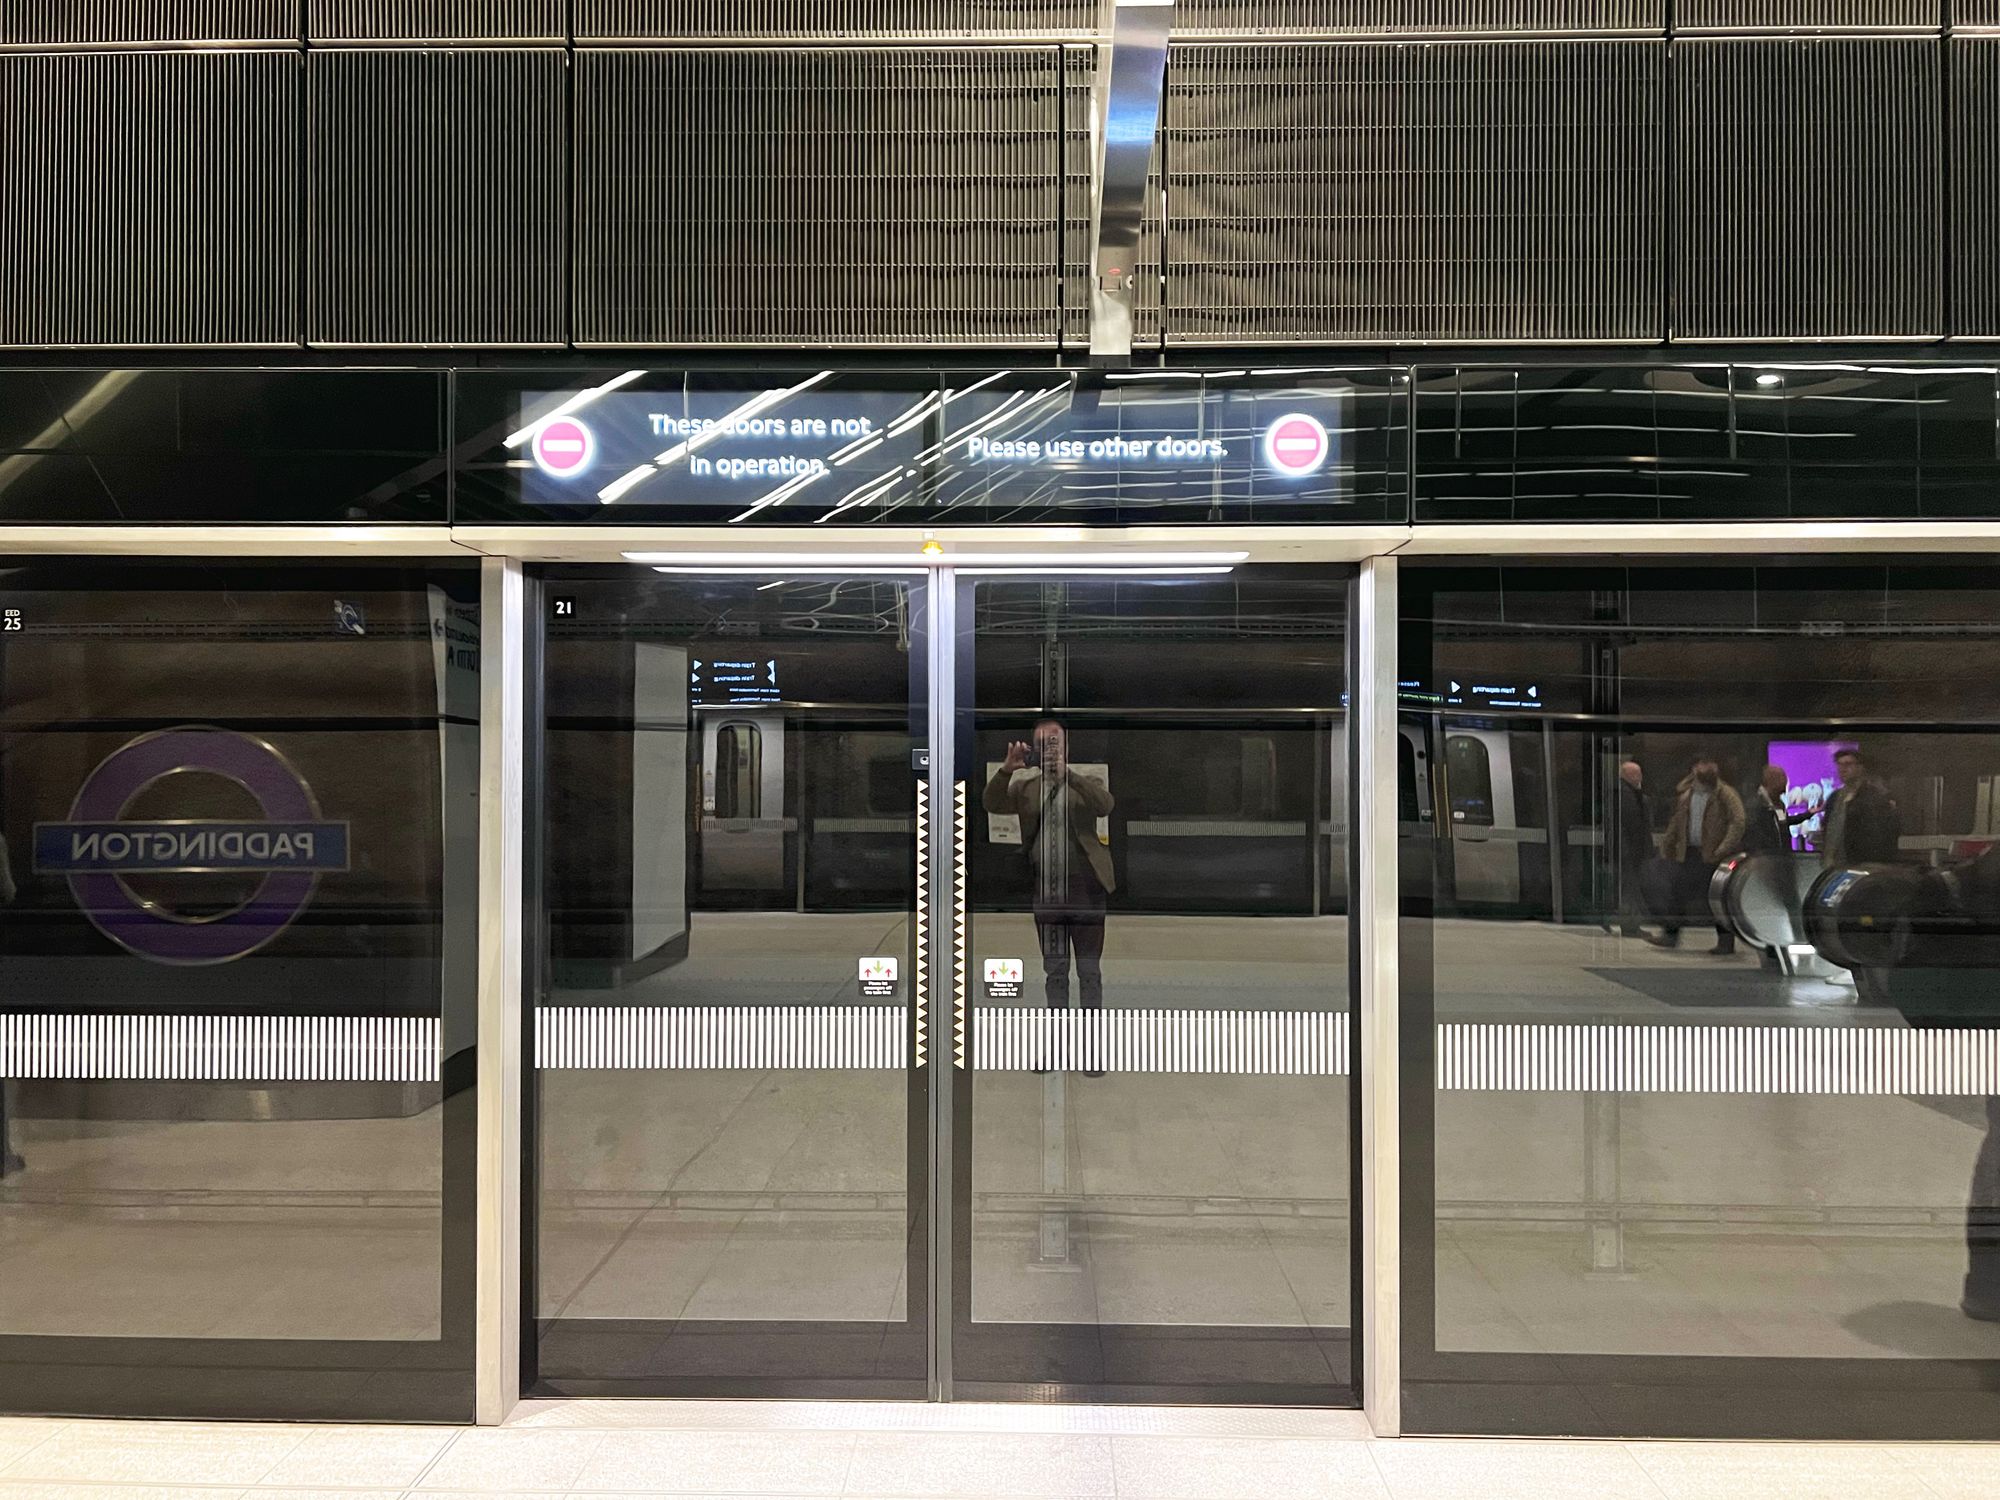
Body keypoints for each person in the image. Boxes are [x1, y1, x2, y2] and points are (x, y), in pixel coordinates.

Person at [983, 721, 1115, 1071]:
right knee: (1055, 971)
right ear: (1035, 750)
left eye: (1055, 743)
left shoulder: (1087, 783)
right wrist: (1005, 771)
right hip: (1047, 890)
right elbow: (991, 803)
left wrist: (1069, 775)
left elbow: (1104, 806)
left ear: (1066, 747)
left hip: (1086, 888)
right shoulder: (1027, 787)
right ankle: (1056, 1047)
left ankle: (1091, 1050)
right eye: (1044, 745)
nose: (1051, 750)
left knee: (1089, 970)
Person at [1648, 755, 1746, 954]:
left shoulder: (1725, 794)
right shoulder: (1688, 795)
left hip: (1714, 855)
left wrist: (1723, 848)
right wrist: (1668, 844)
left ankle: (1725, 942)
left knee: (1717, 898)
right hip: (1690, 853)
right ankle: (1671, 934)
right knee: (1676, 892)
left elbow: (1738, 822)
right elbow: (1678, 822)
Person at [1823, 748, 1903, 865]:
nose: (1842, 769)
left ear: (1860, 768)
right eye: (1839, 764)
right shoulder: (1834, 798)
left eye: (1848, 764)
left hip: (1863, 863)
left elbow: (1882, 834)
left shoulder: (1874, 797)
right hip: (1835, 864)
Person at [1609, 760, 1652, 937]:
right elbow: (1634, 826)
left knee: (1627, 889)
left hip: (1625, 850)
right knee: (1630, 890)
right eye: (1637, 774)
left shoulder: (1623, 793)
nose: (1640, 777)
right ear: (1628, 775)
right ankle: (1630, 926)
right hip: (1629, 851)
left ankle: (1620, 921)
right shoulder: (1626, 795)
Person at [1745, 763, 1815, 858]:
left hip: (1782, 857)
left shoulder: (1779, 803)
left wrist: (1808, 814)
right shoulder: (1756, 804)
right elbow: (1756, 834)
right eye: (1781, 787)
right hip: (1766, 859)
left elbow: (1784, 821)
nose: (1783, 792)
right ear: (1771, 782)